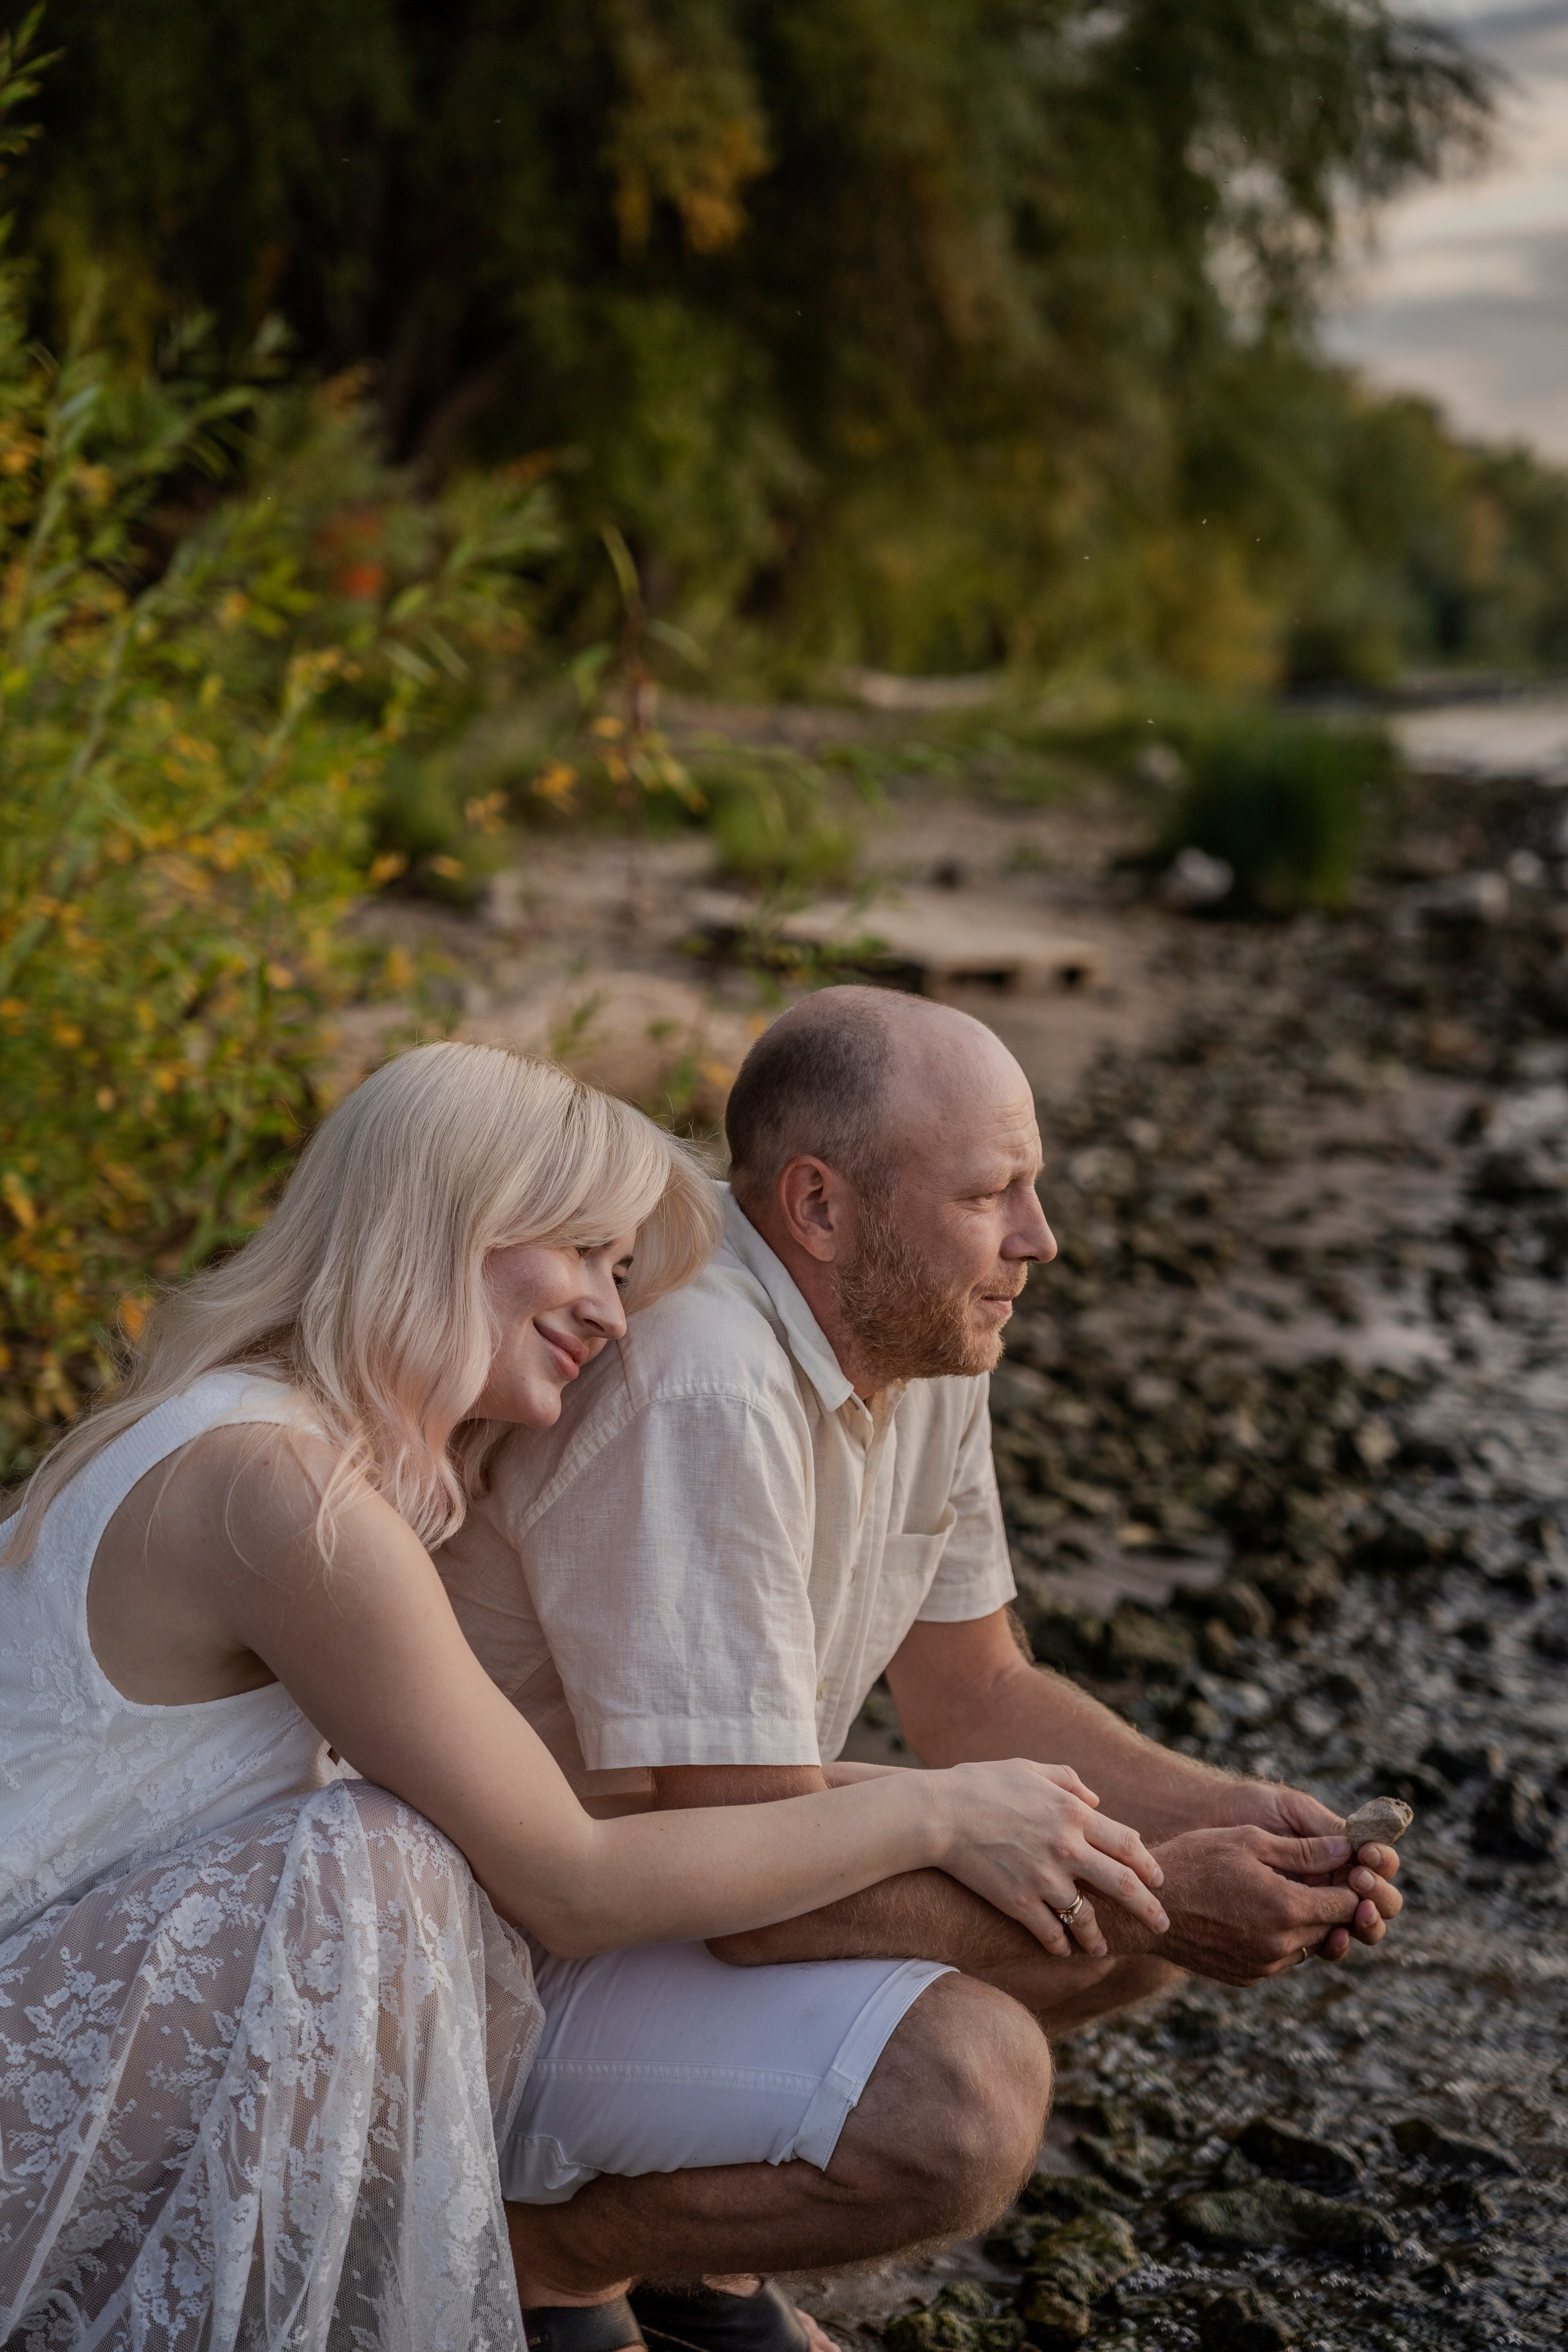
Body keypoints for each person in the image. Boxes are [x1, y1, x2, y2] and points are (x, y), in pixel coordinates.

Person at [0, 1040, 1172, 2352]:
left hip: (72, 2017)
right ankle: (493, 2278)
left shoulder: (266, 1438)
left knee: (384, 1851)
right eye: (577, 1254)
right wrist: (939, 1818)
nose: (611, 1315)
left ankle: (563, 2275)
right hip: (30, 2074)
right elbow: (567, 1879)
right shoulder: (283, 1495)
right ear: (440, 1221)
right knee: (373, 1858)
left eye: (620, 1274)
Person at [439, 987, 1404, 2339]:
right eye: (988, 1195)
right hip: (491, 1955)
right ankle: (549, 2254)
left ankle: (695, 2265)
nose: (1038, 1239)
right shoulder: (704, 1381)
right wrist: (1154, 1891)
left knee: (1132, 1906)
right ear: (820, 1209)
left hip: (674, 1887)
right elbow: (749, 1890)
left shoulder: (923, 1333)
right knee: (962, 2095)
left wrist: (1230, 1820)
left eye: (1033, 1187)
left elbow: (976, 1695)